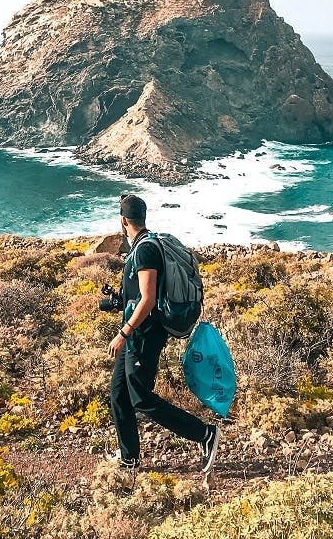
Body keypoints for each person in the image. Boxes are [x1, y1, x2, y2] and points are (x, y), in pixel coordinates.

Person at [108, 193, 220, 473]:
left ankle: (205, 434)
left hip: (144, 335)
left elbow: (147, 299)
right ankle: (129, 459)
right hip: (137, 333)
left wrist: (123, 332)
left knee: (141, 398)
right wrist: (118, 303)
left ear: (124, 221)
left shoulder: (145, 250)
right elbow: (140, 296)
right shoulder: (144, 246)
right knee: (119, 394)